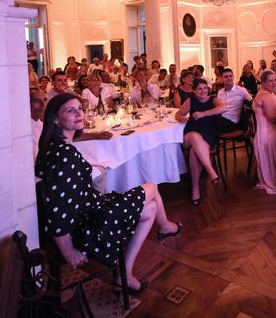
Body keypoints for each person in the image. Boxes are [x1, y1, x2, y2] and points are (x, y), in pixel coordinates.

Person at [35, 94, 182, 293]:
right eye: (70, 110)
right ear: (54, 118)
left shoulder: (55, 147)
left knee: (151, 208)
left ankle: (125, 274)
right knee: (152, 187)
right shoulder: (63, 153)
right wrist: (67, 250)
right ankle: (165, 227)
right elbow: (56, 206)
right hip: (89, 225)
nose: (79, 113)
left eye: (80, 108)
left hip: (90, 211)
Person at [175, 79, 226, 205]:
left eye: (205, 88)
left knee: (194, 152)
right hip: (190, 133)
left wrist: (203, 114)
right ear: (194, 91)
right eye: (199, 89)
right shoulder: (190, 101)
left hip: (208, 135)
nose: (203, 91)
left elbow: (223, 107)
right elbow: (178, 114)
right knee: (194, 137)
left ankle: (195, 189)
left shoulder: (213, 100)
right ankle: (210, 170)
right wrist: (181, 118)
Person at [252, 70, 276, 194]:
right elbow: (271, 118)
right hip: (269, 133)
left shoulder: (267, 92)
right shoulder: (265, 96)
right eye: (270, 80)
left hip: (265, 131)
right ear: (263, 82)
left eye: (275, 80)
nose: (274, 82)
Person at [217, 68, 252, 133]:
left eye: (230, 76)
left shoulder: (241, 90)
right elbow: (218, 107)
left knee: (208, 127)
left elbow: (252, 102)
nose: (229, 78)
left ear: (233, 77)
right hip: (220, 118)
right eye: (226, 77)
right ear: (222, 79)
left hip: (231, 121)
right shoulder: (220, 92)